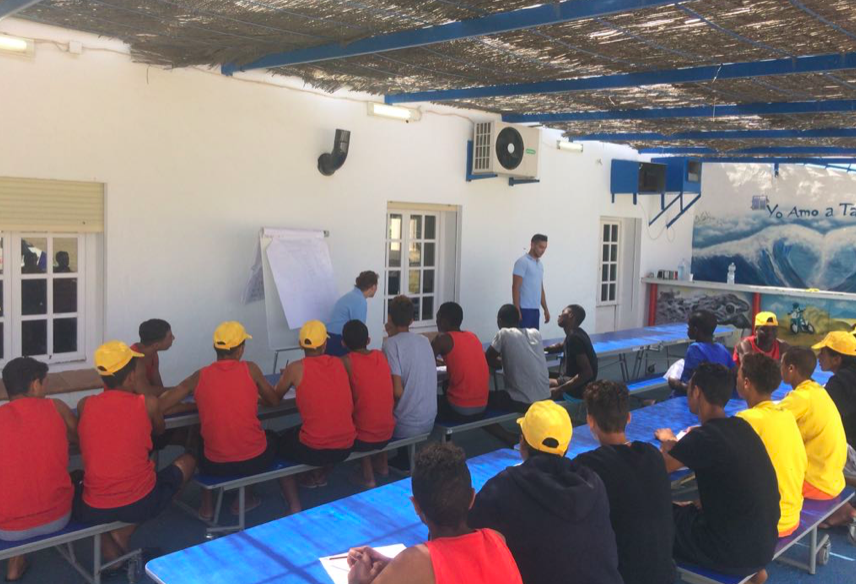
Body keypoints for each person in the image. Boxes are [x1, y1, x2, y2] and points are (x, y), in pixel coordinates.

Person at [468, 401, 622, 584]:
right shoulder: (593, 483)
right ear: (567, 446)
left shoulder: (504, 487)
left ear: (522, 442)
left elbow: (465, 532)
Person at [74, 342, 196, 568]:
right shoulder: (147, 403)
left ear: (102, 378)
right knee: (188, 460)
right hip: (141, 502)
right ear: (131, 378)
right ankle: (123, 534)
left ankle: (114, 545)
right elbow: (160, 431)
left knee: (77, 480)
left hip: (94, 507)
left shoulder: (85, 405)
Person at [655, 363, 779, 580]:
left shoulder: (704, 438)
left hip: (728, 551)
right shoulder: (742, 426)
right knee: (685, 509)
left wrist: (667, 440)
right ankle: (753, 574)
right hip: (765, 542)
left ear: (696, 392)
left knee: (656, 520)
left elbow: (659, 466)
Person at [347, 443, 523, 584]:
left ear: (416, 506)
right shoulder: (497, 539)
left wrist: (356, 582)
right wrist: (394, 567)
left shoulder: (415, 561)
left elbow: (425, 567)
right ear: (471, 498)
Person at [572, 381, 675, 584]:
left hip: (623, 575)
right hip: (665, 572)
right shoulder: (652, 454)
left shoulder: (586, 467)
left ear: (590, 421)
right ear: (628, 418)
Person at [178, 321, 281, 520]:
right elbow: (274, 400)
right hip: (254, 461)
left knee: (199, 441)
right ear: (240, 349)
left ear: (215, 348)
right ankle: (246, 498)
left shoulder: (200, 376)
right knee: (270, 439)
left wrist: (193, 404)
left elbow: (168, 400)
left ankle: (206, 506)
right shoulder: (251, 370)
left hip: (214, 464)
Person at [0, 358, 78, 582]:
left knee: (15, 484)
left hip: (6, 527)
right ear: (35, 384)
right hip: (58, 517)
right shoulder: (57, 407)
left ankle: (15, 563)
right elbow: (80, 440)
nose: (46, 388)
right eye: (45, 383)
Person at [276, 320, 356, 513]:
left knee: (277, 445)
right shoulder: (339, 363)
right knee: (325, 433)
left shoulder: (295, 368)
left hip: (315, 449)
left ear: (301, 345)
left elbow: (275, 397)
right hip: (346, 446)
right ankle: (318, 475)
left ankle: (294, 504)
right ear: (325, 345)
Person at [735, 353, 807, 538]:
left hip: (770, 523)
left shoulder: (746, 419)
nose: (736, 377)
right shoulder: (785, 414)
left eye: (738, 374)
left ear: (746, 383)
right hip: (792, 515)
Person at [780, 346, 853, 525]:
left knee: (764, 473)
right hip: (833, 478)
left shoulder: (801, 398)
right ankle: (846, 511)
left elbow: (770, 420)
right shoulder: (818, 391)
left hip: (817, 483)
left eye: (781, 365)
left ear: (791, 368)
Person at [341, 319, 396, 488]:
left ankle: (368, 476)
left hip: (363, 438)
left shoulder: (346, 362)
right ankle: (383, 465)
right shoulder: (381, 356)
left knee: (358, 415)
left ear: (343, 343)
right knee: (376, 405)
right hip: (388, 432)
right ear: (369, 341)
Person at [382, 296, 438, 438]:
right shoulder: (425, 340)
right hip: (430, 420)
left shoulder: (390, 344)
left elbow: (397, 392)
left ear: (390, 318)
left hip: (406, 425)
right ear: (412, 320)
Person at [485, 304, 551, 414]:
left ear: (499, 320)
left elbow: (488, 358)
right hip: (546, 398)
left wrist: (505, 362)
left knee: (481, 399)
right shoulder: (536, 333)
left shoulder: (504, 333)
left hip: (522, 402)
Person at [432, 302, 489, 422]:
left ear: (444, 321)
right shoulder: (473, 336)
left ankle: (444, 440)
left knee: (428, 403)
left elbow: (424, 363)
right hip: (483, 405)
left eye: (438, 318)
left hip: (459, 408)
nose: (436, 322)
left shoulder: (442, 339)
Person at [668, 309, 734, 397]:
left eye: (689, 327)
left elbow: (694, 388)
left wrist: (673, 382)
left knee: (646, 403)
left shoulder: (695, 349)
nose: (687, 330)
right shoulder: (722, 349)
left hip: (687, 400)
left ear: (695, 330)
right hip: (715, 398)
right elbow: (733, 373)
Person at [546, 304, 598, 399]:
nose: (559, 315)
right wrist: (544, 349)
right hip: (573, 380)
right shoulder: (576, 333)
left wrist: (559, 390)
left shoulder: (574, 338)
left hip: (579, 389)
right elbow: (561, 345)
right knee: (542, 374)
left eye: (562, 312)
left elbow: (587, 373)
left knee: (539, 383)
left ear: (570, 315)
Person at [326, 271, 379, 357]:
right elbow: (358, 332)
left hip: (330, 339)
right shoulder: (360, 300)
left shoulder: (352, 296)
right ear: (373, 286)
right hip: (338, 340)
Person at [512, 234, 549, 329]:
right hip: (524, 309)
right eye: (540, 247)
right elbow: (515, 287)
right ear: (532, 245)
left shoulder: (540, 265)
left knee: (534, 340)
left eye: (545, 248)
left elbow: (540, 288)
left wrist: (545, 309)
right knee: (523, 340)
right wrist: (516, 310)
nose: (543, 251)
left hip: (535, 310)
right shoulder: (522, 262)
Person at [131, 318, 175, 397]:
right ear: (156, 345)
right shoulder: (134, 359)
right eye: (170, 336)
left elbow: (159, 388)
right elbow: (145, 392)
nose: (173, 338)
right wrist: (178, 389)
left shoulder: (153, 354)